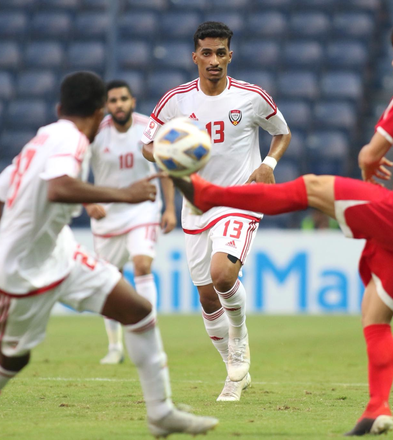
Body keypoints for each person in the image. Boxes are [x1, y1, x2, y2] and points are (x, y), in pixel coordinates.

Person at [170, 15, 393, 436]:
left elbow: (369, 154)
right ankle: (378, 409)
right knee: (374, 314)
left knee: (313, 187)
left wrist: (370, 162)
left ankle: (210, 195)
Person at [0, 72, 218, 439]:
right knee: (13, 358)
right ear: (101, 111)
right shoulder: (70, 139)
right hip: (19, 276)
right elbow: (58, 188)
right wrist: (124, 195)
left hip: (60, 252)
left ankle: (161, 412)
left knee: (137, 310)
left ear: (60, 108)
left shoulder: (44, 137)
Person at [141, 21, 292, 402]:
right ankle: (234, 373)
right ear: (194, 57)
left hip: (239, 199)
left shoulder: (252, 97)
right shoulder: (176, 100)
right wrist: (168, 154)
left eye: (220, 52)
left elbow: (282, 132)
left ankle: (239, 338)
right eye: (206, 53)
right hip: (197, 204)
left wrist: (268, 166)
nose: (213, 60)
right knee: (208, 298)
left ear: (230, 55)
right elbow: (147, 143)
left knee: (222, 274)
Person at [84, 80, 177, 365]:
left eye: (123, 99)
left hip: (144, 209)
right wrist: (88, 202)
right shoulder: (95, 134)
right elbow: (74, 171)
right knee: (110, 279)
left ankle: (150, 338)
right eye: (113, 101)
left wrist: (170, 209)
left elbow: (168, 167)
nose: (119, 105)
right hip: (108, 214)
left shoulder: (148, 128)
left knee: (142, 265)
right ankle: (114, 347)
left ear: (132, 101)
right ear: (106, 106)